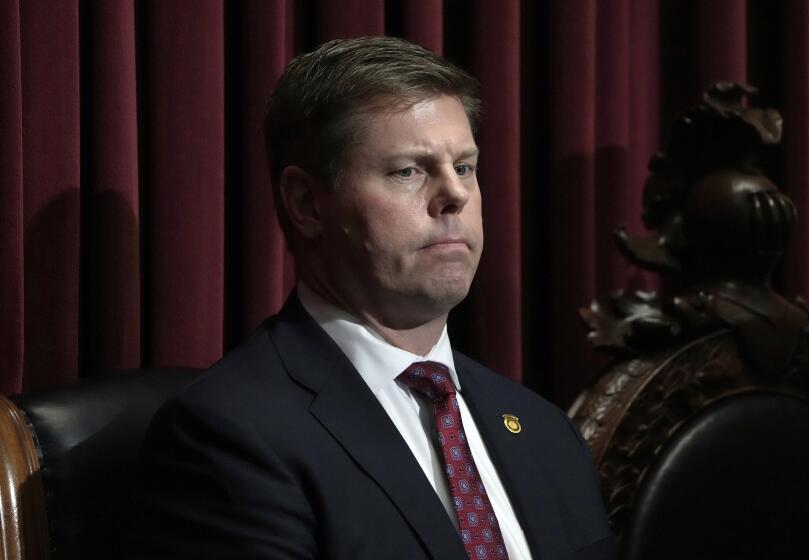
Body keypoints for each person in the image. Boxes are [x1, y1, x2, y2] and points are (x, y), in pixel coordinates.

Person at [126, 36, 614, 559]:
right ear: (307, 203)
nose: (456, 194)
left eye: (465, 167)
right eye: (409, 170)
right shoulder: (229, 437)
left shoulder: (544, 430)